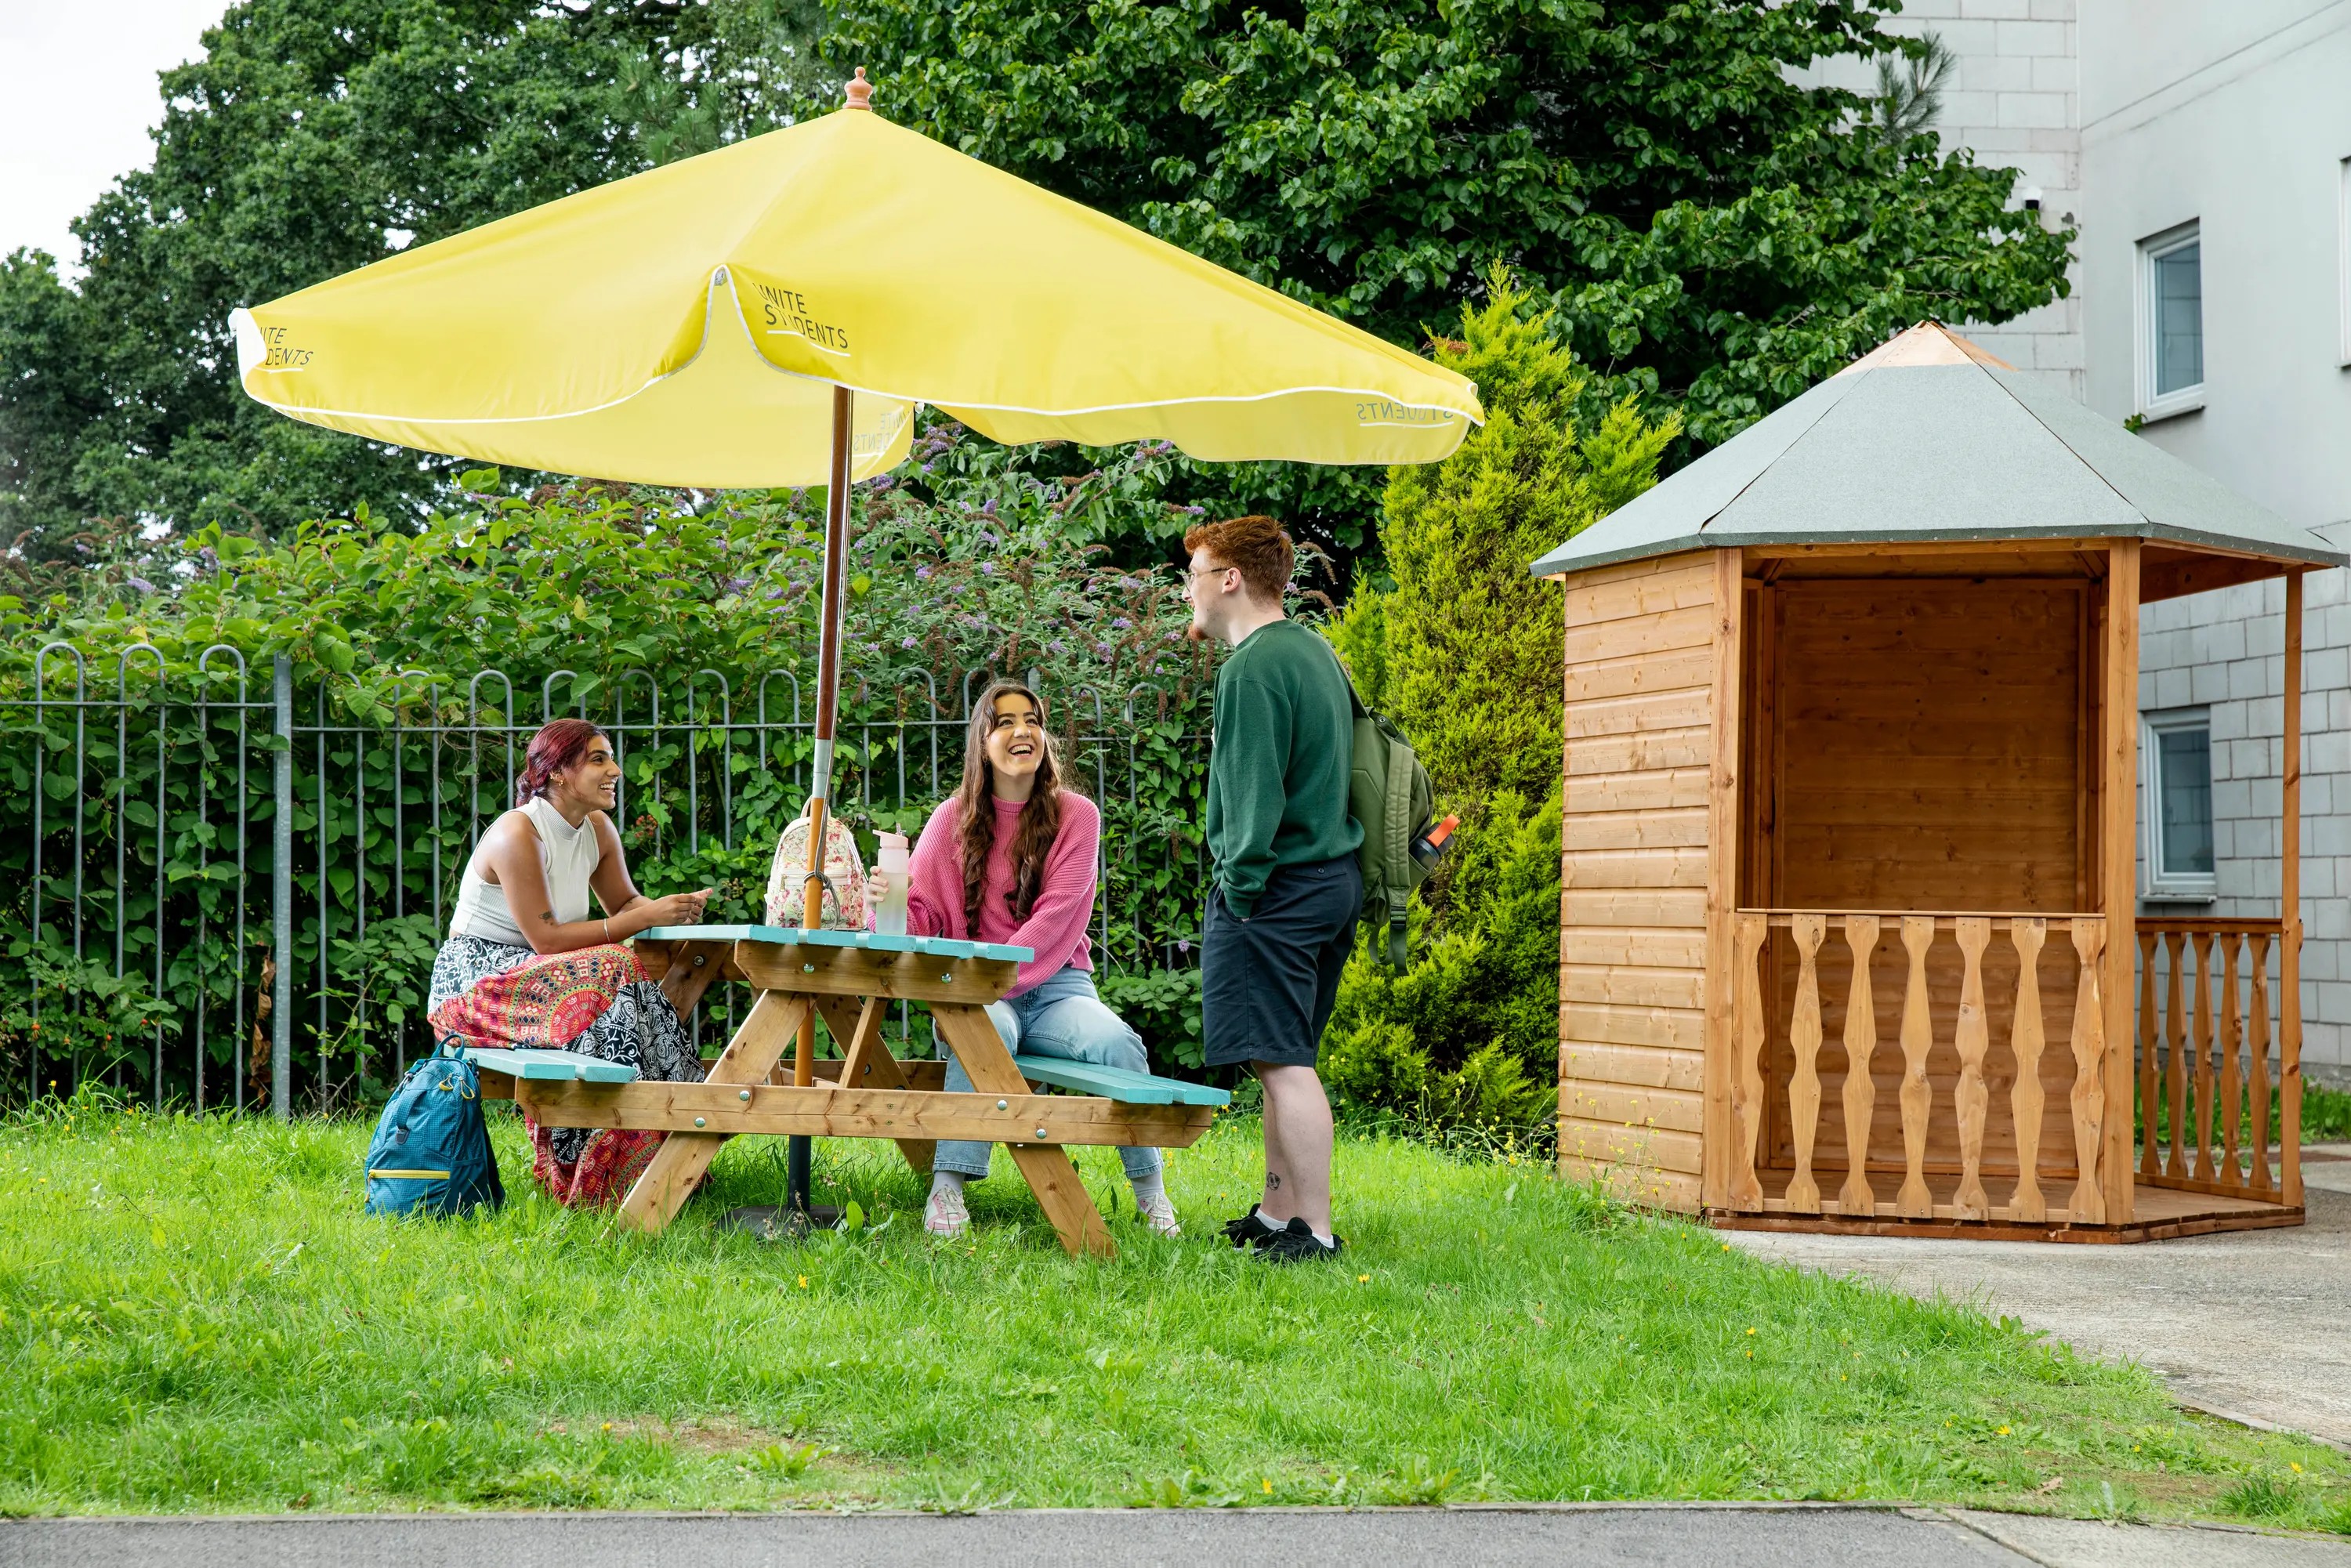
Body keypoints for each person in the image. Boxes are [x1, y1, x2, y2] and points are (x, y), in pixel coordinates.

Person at [903, 682, 1179, 1240]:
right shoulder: (949, 820)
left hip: (1059, 988)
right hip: (977, 991)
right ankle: (948, 1187)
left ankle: (1152, 1194)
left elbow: (1055, 919)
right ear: (982, 742)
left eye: (1031, 720)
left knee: (1119, 1043)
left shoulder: (1078, 816)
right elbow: (921, 916)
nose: (1022, 731)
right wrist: (880, 898)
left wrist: (997, 974)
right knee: (982, 1031)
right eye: (1004, 722)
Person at [426, 719, 715, 1208]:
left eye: (610, 758)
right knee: (611, 966)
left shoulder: (597, 828)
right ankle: (674, 1117)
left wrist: (672, 910)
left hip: (554, 977)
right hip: (478, 984)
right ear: (558, 773)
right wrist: (643, 918)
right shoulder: (519, 832)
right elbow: (546, 940)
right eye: (598, 760)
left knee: (616, 1004)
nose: (615, 771)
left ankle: (645, 1165)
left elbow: (624, 906)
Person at [1186, 514, 1363, 1263]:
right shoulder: (1312, 651)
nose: (1185, 589)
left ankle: (1314, 1231)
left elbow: (1252, 796)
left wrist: (1240, 888)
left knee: (1286, 1063)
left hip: (1278, 888)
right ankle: (1277, 1212)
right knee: (1279, 1053)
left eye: (1193, 573)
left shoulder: (1253, 667)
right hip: (1332, 879)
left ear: (1230, 579)